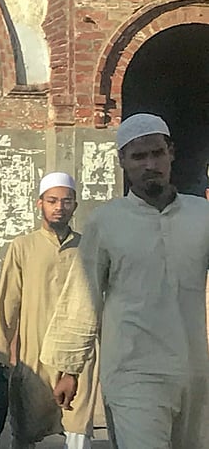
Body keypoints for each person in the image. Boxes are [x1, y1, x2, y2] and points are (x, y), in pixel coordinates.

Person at [41, 113, 209, 448]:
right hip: (132, 373)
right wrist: (71, 368)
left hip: (194, 373)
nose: (150, 164)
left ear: (171, 153)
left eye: (157, 153)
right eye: (138, 156)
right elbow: (83, 295)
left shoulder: (200, 216)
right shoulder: (107, 222)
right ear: (122, 162)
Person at [0, 173, 98, 449]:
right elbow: (7, 303)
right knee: (25, 426)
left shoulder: (89, 248)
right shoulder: (23, 247)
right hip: (34, 352)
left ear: (75, 205)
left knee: (78, 426)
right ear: (40, 204)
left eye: (66, 201)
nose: (59, 206)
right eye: (52, 200)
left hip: (79, 351)